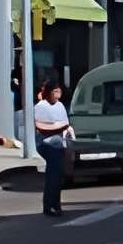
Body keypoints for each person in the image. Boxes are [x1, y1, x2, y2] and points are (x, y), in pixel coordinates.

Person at [31, 79, 73, 216]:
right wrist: (59, 127)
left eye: (59, 90)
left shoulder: (60, 106)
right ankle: (49, 205)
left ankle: (56, 204)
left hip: (59, 144)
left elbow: (65, 125)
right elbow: (42, 127)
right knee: (53, 176)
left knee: (59, 176)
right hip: (47, 144)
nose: (58, 93)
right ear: (48, 92)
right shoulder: (41, 106)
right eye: (55, 91)